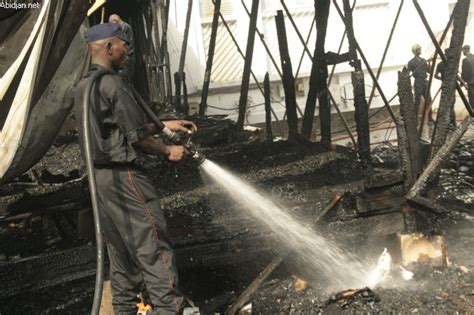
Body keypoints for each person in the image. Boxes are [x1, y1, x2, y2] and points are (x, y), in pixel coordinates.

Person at [74, 23, 198, 315]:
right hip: (124, 177)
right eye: (124, 45)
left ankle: (125, 311)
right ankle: (170, 310)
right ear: (108, 48)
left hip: (100, 182)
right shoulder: (113, 83)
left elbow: (115, 122)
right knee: (153, 247)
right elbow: (138, 137)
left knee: (120, 256)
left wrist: (164, 124)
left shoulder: (84, 87)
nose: (128, 51)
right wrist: (169, 150)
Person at [109, 14, 135, 82]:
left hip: (127, 58)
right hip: (127, 58)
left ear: (115, 21)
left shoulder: (124, 27)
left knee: (125, 80)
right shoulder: (125, 27)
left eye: (112, 24)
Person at [407, 44, 431, 118]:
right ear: (415, 51)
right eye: (418, 49)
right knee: (417, 101)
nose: (420, 50)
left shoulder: (423, 60)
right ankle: (415, 117)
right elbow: (407, 74)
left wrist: (429, 64)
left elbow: (429, 71)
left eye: (420, 49)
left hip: (425, 81)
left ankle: (429, 118)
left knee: (429, 100)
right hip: (418, 82)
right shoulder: (411, 62)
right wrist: (409, 85)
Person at [434, 48, 456, 129]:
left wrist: (442, 79)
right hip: (451, 86)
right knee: (451, 105)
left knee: (445, 105)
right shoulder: (452, 63)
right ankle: (453, 123)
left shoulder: (440, 64)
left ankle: (448, 123)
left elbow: (435, 75)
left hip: (444, 86)